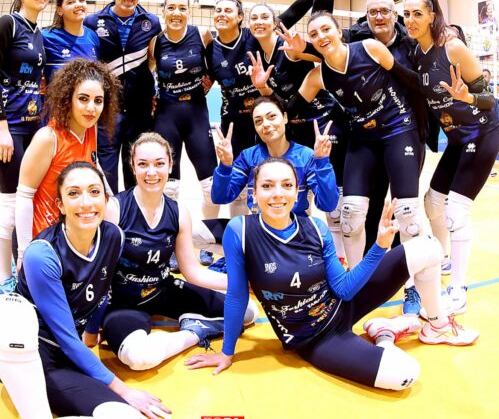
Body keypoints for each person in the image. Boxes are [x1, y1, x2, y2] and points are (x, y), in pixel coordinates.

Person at [184, 158, 478, 391]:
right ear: (255, 192)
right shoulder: (240, 231)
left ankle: (437, 326)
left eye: (286, 185)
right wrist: (227, 353)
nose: (277, 193)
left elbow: (344, 289)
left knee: (428, 247)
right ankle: (385, 335)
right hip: (317, 338)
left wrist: (379, 246)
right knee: (406, 374)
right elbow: (237, 296)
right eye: (267, 186)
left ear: (296, 191)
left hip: (343, 304)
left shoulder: (315, 227)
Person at [0, 162, 171, 418]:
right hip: (25, 352)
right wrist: (124, 390)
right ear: (60, 205)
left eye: (94, 191)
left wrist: (91, 334)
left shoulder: (113, 236)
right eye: (73, 193)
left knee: (123, 415)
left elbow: (101, 292)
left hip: (63, 354)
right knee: (14, 311)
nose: (86, 202)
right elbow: (66, 337)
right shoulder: (43, 254)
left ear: (105, 199)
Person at [99, 132, 258, 371]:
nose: (151, 172)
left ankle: (195, 327)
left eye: (159, 164)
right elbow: (99, 273)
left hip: (163, 291)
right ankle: (193, 334)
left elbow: (192, 271)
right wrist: (91, 323)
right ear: (132, 166)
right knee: (140, 358)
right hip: (124, 303)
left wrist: (242, 282)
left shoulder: (179, 212)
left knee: (246, 312)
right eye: (143, 164)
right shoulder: (114, 209)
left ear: (171, 165)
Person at [292, 11, 425, 277]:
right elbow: (290, 109)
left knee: (407, 213)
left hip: (399, 128)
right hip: (363, 138)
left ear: (339, 32)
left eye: (326, 29)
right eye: (314, 34)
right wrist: (263, 89)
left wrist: (427, 122)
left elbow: (409, 79)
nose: (321, 36)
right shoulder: (318, 77)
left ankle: (413, 285)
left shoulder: (369, 48)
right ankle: (355, 282)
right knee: (350, 214)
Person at [403, 0, 499, 314]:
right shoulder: (417, 54)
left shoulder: (453, 48)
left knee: (456, 212)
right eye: (407, 14)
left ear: (432, 16)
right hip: (457, 138)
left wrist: (467, 97)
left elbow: (489, 100)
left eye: (418, 14)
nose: (411, 20)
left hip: (482, 133)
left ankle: (457, 289)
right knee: (432, 201)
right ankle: (444, 259)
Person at [206, 0, 335, 217]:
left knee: (320, 189)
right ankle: (254, 226)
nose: (260, 21)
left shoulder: (274, 43)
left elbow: (299, 15)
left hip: (313, 119)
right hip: (280, 118)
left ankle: (305, 227)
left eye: (265, 17)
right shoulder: (241, 50)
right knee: (267, 179)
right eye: (255, 18)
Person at [15, 59, 121, 272]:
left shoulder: (89, 129)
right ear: (68, 99)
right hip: (44, 241)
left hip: (75, 233)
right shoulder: (48, 138)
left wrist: (112, 201)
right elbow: (24, 197)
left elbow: (94, 164)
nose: (91, 108)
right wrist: (24, 254)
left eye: (98, 101)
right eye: (83, 99)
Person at [0, 0, 49, 295]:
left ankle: (26, 272)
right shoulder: (7, 24)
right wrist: (2, 127)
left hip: (32, 127)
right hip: (6, 129)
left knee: (29, 203)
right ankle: (3, 277)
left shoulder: (38, 33)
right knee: (11, 205)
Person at [147, 0, 219, 265]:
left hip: (196, 114)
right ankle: (170, 245)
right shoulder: (155, 42)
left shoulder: (202, 34)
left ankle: (207, 243)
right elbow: (148, 72)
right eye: (171, 8)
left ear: (188, 11)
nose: (176, 13)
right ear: (164, 11)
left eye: (182, 8)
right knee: (168, 187)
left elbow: (216, 65)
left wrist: (210, 81)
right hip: (167, 116)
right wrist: (151, 97)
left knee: (211, 185)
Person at [84, 0, 161, 193]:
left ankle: (133, 211)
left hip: (140, 110)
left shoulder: (152, 22)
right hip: (108, 110)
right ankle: (110, 212)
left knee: (136, 166)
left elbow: (153, 60)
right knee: (106, 171)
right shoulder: (93, 22)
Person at [211, 96, 338, 218]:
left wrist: (322, 162)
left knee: (320, 228)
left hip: (295, 228)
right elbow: (220, 198)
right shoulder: (248, 157)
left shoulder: (305, 156)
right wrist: (225, 165)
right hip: (259, 227)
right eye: (258, 121)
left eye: (272, 116)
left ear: (285, 117)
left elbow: (328, 204)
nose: (265, 124)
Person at [0, 0, 100, 82]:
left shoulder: (93, 37)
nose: (79, 5)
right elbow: (19, 61)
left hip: (85, 109)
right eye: (71, 2)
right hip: (53, 109)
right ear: (59, 10)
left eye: (82, 0)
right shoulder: (46, 36)